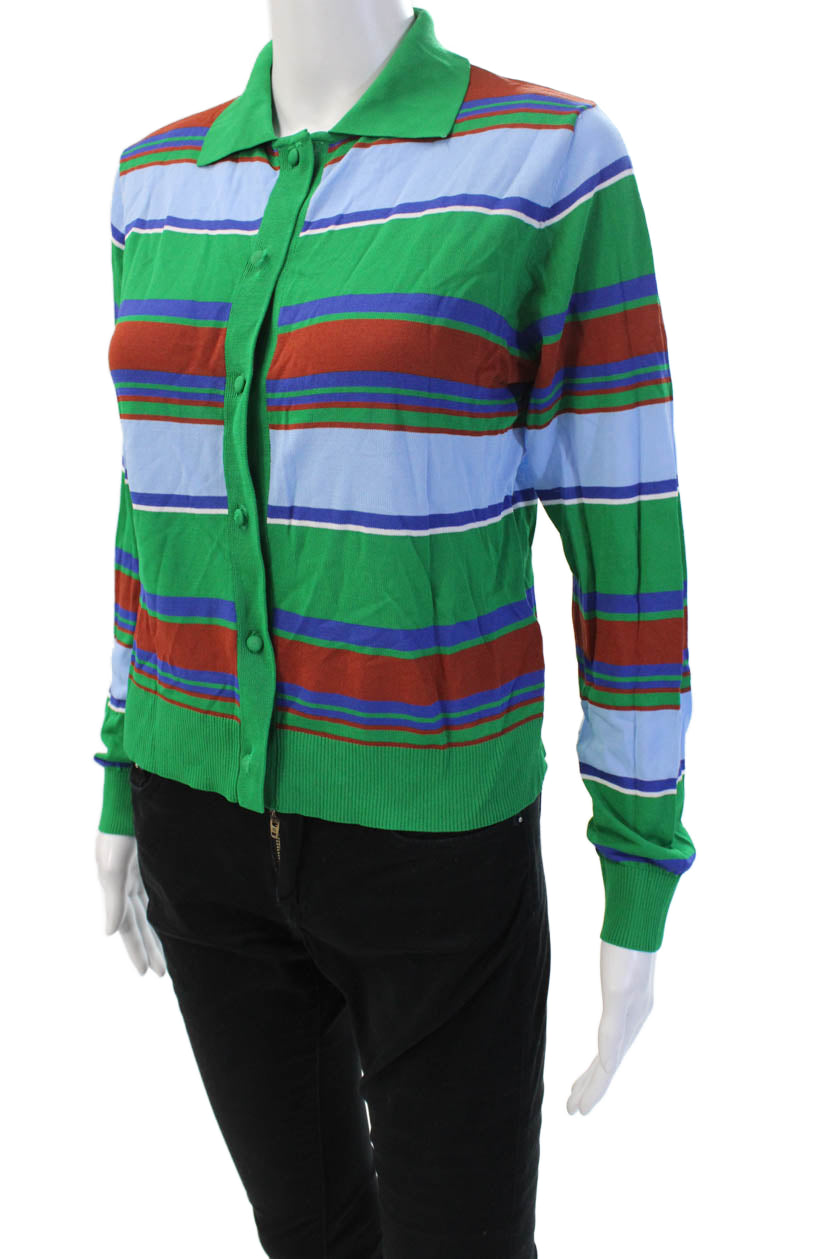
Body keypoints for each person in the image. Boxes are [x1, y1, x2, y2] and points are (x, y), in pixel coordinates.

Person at [94, 4, 695, 1256]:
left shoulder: (549, 161)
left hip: (432, 846)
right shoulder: (153, 181)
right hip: (191, 813)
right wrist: (116, 773)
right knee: (307, 1231)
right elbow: (151, 495)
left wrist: (636, 865)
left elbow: (626, 532)